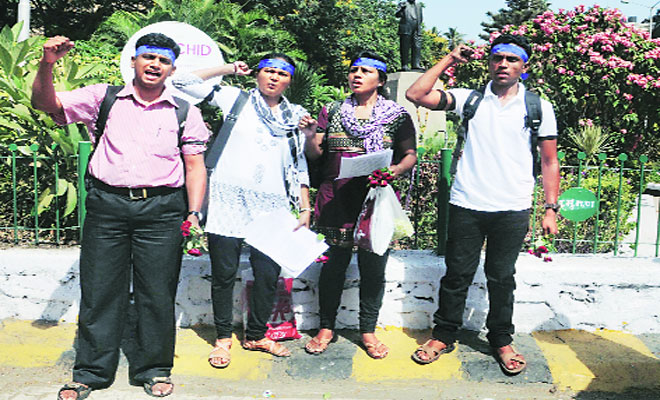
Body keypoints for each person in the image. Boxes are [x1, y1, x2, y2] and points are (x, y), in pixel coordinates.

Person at [32, 33, 208, 399]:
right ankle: (91, 373)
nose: (155, 65)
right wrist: (47, 64)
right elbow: (45, 104)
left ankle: (154, 368)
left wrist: (193, 213)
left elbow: (194, 165)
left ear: (172, 69)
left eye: (163, 61)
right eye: (148, 57)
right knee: (99, 291)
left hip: (162, 211)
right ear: (134, 61)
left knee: (156, 293)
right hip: (107, 207)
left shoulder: (185, 111)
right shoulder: (104, 98)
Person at [405, 34, 560, 374]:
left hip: (512, 206)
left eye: (512, 59)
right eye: (497, 58)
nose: (503, 64)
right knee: (456, 275)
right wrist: (449, 59)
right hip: (468, 202)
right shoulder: (470, 99)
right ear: (489, 63)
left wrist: (550, 209)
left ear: (524, 66)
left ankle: (501, 339)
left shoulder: (538, 107)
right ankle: (443, 335)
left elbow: (550, 161)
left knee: (501, 277)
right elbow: (415, 94)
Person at [171, 53, 312, 368]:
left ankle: (257, 335)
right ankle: (223, 338)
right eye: (268, 71)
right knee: (223, 273)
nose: (274, 77)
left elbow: (298, 162)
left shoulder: (296, 115)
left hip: (272, 205)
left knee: (268, 274)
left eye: (282, 73)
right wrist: (228, 69)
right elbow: (180, 81)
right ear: (258, 75)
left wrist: (304, 205)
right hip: (228, 200)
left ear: (289, 80)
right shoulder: (235, 98)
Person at [299, 51, 417, 359]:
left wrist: (394, 170)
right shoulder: (332, 110)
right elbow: (316, 155)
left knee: (373, 269)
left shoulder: (396, 116)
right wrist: (310, 137)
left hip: (375, 200)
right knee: (332, 267)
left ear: (380, 80)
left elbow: (409, 155)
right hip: (335, 200)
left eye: (366, 71)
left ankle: (367, 330)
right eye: (354, 70)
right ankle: (326, 327)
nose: (357, 75)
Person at [395, 0, 424, 71]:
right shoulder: (403, 4)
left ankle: (415, 64)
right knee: (405, 47)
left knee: (417, 46)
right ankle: (404, 65)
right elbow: (397, 15)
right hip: (406, 27)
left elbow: (420, 18)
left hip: (416, 28)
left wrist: (418, 27)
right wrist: (401, 8)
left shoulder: (418, 6)